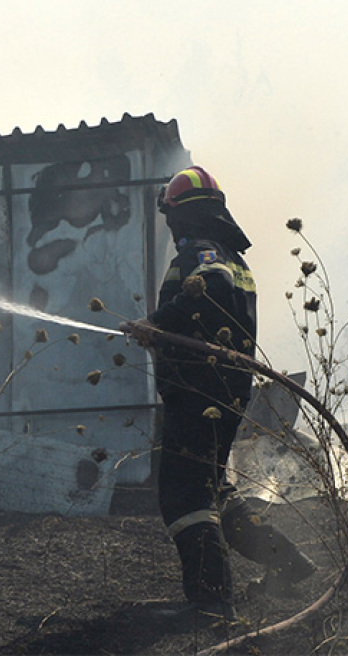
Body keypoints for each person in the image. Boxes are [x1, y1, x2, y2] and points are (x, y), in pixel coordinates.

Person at [123, 165, 317, 625]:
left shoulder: (203, 251)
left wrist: (157, 324)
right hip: (220, 390)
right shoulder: (230, 254)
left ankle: (211, 602)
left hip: (198, 391)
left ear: (180, 216)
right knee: (214, 488)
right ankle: (287, 562)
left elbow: (212, 289)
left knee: (185, 495)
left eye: (171, 217)